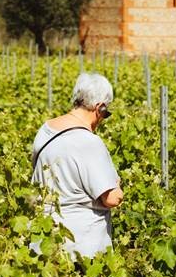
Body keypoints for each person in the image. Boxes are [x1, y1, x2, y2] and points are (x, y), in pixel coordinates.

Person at [31, 72, 123, 258]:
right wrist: (118, 186)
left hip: (44, 239)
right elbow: (111, 199)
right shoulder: (89, 142)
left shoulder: (46, 129)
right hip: (80, 248)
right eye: (106, 113)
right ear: (100, 107)